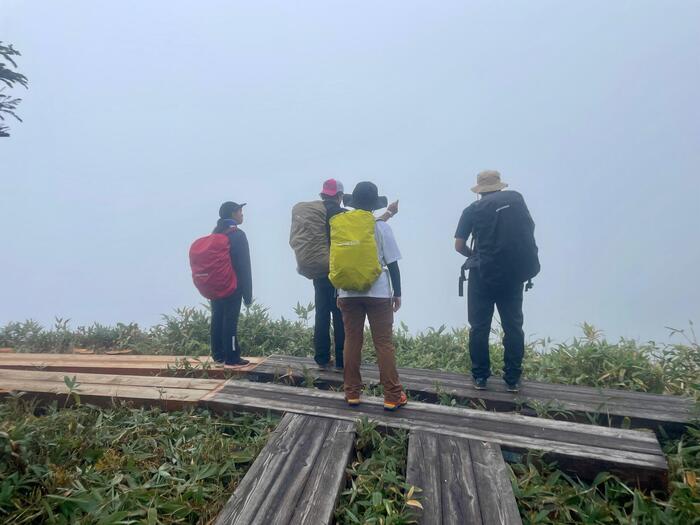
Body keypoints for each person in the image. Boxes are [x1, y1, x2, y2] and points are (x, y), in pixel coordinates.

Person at [454, 170, 538, 392]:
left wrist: (477, 256)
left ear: (479, 190)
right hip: (513, 274)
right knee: (513, 326)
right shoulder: (516, 201)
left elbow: (459, 246)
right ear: (500, 186)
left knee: (479, 326)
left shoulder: (472, 210)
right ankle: (512, 379)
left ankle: (480, 377)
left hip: (482, 276)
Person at [335, 181, 407, 411]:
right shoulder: (380, 227)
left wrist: (338, 292)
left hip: (347, 292)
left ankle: (352, 393)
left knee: (352, 340)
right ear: (374, 204)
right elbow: (393, 264)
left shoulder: (341, 225)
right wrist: (398, 293)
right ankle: (392, 395)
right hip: (378, 294)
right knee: (383, 343)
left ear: (353, 202)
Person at [313, 179, 397, 372]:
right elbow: (371, 226)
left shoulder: (317, 215)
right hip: (343, 272)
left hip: (321, 270)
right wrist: (389, 213)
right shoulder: (343, 216)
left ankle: (322, 358)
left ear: (322, 195)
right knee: (342, 320)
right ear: (340, 196)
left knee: (321, 313)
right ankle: (342, 363)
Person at [210, 201, 253, 368]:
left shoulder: (216, 233)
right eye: (240, 211)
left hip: (216, 284)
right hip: (232, 286)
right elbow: (244, 266)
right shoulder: (238, 235)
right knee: (230, 320)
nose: (242, 214)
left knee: (217, 316)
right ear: (233, 214)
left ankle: (218, 355)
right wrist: (247, 295)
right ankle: (232, 357)